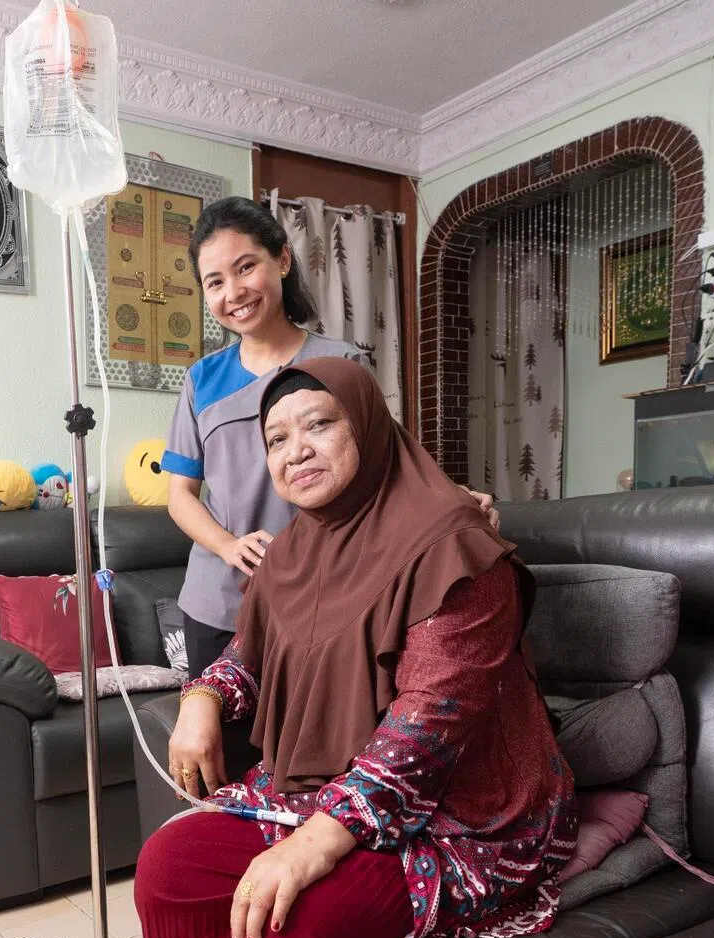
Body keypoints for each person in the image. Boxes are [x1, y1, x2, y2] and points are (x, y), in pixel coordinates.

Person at [136, 357, 578, 938]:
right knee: (168, 872)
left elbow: (429, 728)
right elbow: (254, 654)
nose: (295, 449)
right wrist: (202, 698)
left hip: (461, 815)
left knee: (289, 923)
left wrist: (307, 850)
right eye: (276, 437)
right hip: (327, 790)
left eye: (319, 423)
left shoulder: (454, 545)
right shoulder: (298, 550)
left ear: (368, 425)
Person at [160, 196, 496, 679]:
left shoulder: (339, 364)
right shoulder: (201, 381)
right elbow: (180, 496)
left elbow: (389, 464)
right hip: (217, 603)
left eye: (245, 267)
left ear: (282, 259)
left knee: (310, 748)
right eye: (215, 282)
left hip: (323, 598)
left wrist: (457, 502)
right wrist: (230, 547)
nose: (233, 292)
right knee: (222, 745)